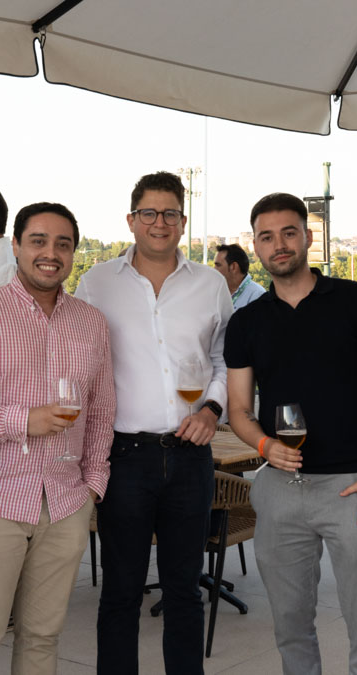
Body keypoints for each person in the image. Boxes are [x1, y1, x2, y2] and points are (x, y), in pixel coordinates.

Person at [224, 192, 357, 674]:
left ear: (307, 236)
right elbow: (239, 409)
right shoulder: (246, 322)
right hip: (280, 489)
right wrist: (264, 445)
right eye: (266, 237)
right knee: (290, 629)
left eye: (288, 233)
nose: (278, 244)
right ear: (255, 245)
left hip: (353, 487)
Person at [0, 202, 114, 674]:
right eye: (38, 241)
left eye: (63, 244)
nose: (50, 253)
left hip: (66, 501)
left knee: (42, 638)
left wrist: (92, 485)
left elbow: (101, 410)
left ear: (73, 253)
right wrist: (22, 420)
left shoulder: (91, 322)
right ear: (15, 245)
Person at [75, 171, 233, 674]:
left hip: (191, 458)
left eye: (169, 213)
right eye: (149, 213)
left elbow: (226, 361)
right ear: (131, 220)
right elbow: (80, 363)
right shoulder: (96, 283)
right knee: (121, 591)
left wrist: (211, 409)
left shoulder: (210, 285)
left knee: (184, 590)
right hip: (124, 457)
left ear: (183, 222)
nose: (159, 223)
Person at [214, 243, 265, 310]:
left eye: (218, 265)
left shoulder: (257, 295)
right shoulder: (216, 292)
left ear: (233, 267)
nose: (214, 269)